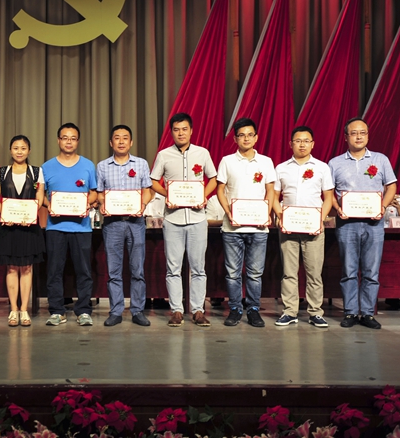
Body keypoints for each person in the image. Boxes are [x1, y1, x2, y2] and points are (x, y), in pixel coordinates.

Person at [329, 117, 397, 329]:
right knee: (348, 271)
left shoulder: (380, 159)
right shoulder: (335, 163)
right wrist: (337, 208)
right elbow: (329, 192)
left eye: (363, 133)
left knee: (371, 271)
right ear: (346, 137)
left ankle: (367, 313)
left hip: (373, 224)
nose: (358, 137)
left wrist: (382, 207)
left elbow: (391, 187)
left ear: (367, 135)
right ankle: (350, 312)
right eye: (354, 133)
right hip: (346, 224)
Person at [150, 113, 217, 327]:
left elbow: (213, 178)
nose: (181, 133)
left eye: (184, 129)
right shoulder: (164, 155)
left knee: (198, 268)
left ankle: (198, 310)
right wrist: (168, 195)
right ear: (172, 132)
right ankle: (177, 310)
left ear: (191, 131)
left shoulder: (202, 153)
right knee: (173, 268)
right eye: (177, 129)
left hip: (197, 218)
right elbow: (153, 181)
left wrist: (203, 196)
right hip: (173, 219)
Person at [216, 117, 276, 328]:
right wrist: (228, 212)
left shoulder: (266, 162)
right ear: (235, 139)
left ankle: (253, 310)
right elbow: (220, 190)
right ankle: (234, 308)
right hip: (232, 227)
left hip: (258, 228)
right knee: (233, 273)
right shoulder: (227, 161)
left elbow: (270, 191)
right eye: (241, 135)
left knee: (255, 273)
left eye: (250, 135)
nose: (246, 139)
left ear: (256, 137)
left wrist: (266, 213)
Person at [272, 126, 334, 328]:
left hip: (313, 228)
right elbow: (274, 196)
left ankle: (315, 312)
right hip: (289, 228)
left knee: (314, 272)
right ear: (291, 144)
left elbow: (328, 197)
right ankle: (290, 311)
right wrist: (280, 216)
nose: (302, 144)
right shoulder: (281, 168)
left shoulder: (322, 167)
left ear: (312, 144)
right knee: (289, 272)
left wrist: (320, 220)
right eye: (298, 141)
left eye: (306, 141)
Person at [97, 125, 154, 327]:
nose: (121, 141)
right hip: (112, 224)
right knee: (113, 270)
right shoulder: (102, 166)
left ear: (131, 142)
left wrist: (142, 205)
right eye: (117, 138)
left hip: (136, 223)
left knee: (137, 270)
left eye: (125, 138)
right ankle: (116, 311)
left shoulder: (141, 164)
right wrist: (102, 204)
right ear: (111, 142)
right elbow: (100, 194)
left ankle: (137, 310)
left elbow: (148, 191)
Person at [42, 122, 98, 327]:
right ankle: (57, 311)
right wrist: (50, 204)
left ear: (78, 141)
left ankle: (83, 311)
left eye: (73, 138)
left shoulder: (88, 165)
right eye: (65, 138)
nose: (69, 142)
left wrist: (85, 203)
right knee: (54, 271)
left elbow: (94, 193)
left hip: (81, 227)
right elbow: (41, 195)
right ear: (58, 140)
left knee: (84, 271)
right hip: (55, 227)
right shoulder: (46, 167)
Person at [0, 135, 45, 327]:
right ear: (10, 150)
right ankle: (14, 309)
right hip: (8, 227)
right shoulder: (2, 172)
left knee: (27, 267)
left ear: (29, 151)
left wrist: (30, 213)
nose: (19, 151)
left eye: (23, 148)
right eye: (16, 148)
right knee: (12, 267)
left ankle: (24, 310)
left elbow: (40, 196)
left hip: (29, 226)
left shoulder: (37, 172)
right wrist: (6, 214)